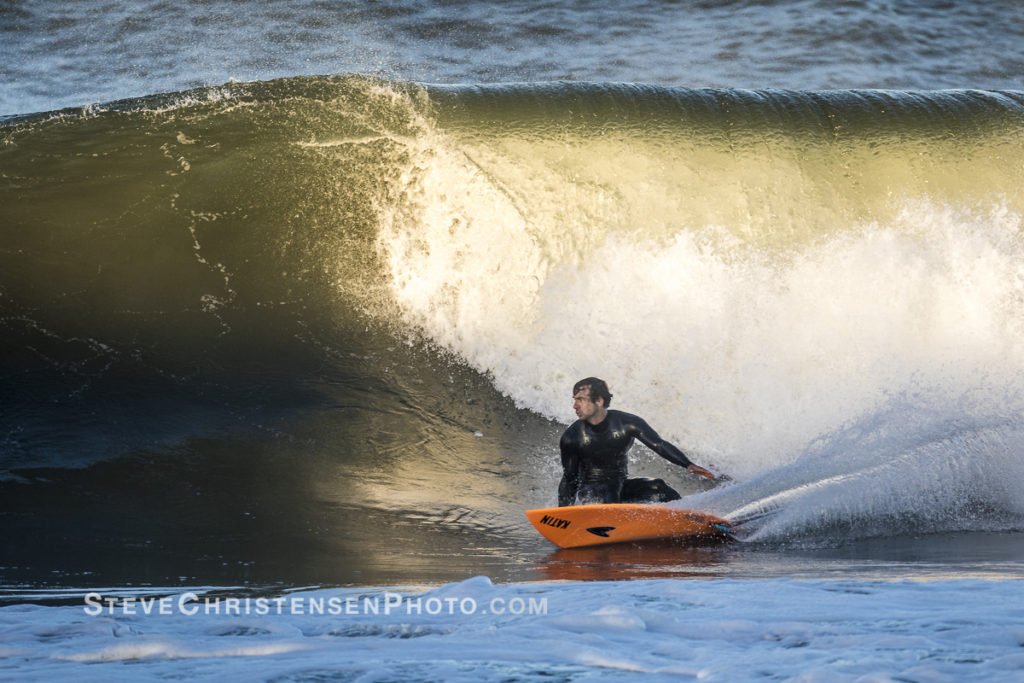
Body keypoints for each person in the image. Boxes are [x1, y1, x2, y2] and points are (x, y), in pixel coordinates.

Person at [558, 377, 715, 506]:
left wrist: (687, 464)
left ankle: (687, 516)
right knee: (609, 487)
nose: (575, 405)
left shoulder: (627, 423)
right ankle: (610, 525)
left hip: (620, 488)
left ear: (598, 400)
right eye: (575, 400)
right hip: (591, 495)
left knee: (658, 486)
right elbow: (569, 478)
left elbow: (658, 444)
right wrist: (562, 516)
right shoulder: (572, 437)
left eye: (581, 400)